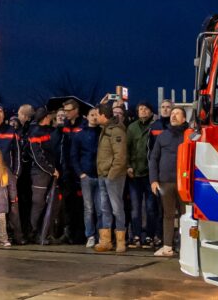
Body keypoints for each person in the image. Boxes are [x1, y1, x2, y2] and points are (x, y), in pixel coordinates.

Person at [151, 107, 192, 257]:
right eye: (172, 114)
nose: (173, 116)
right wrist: (154, 180)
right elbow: (154, 159)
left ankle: (186, 248)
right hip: (165, 182)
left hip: (185, 183)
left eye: (177, 114)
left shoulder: (190, 135)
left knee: (185, 215)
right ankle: (167, 246)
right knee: (167, 215)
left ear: (184, 119)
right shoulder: (163, 136)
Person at [93, 102, 130, 253]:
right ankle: (106, 241)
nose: (95, 117)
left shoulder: (115, 131)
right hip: (103, 174)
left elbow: (120, 156)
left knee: (116, 208)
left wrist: (111, 175)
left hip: (112, 176)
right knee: (105, 208)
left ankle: (121, 241)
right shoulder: (106, 129)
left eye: (97, 114)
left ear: (103, 115)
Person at [25, 107, 64, 244]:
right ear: (44, 118)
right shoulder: (35, 133)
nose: (50, 118)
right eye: (48, 116)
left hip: (49, 173)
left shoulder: (48, 131)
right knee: (38, 204)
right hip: (40, 174)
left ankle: (44, 233)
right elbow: (38, 157)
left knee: (48, 204)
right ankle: (33, 232)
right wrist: (51, 169)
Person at [62, 101, 100, 246]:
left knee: (95, 207)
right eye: (64, 110)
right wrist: (78, 172)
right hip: (75, 173)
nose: (66, 113)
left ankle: (90, 235)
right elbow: (69, 152)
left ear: (76, 111)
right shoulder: (66, 127)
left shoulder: (85, 128)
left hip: (92, 173)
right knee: (81, 206)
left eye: (68, 110)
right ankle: (77, 234)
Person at [126, 102, 159, 248]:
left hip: (150, 174)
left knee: (151, 208)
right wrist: (128, 166)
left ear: (151, 112)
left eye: (146, 108)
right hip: (134, 174)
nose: (143, 111)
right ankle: (136, 235)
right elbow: (126, 148)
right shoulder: (132, 127)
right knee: (135, 208)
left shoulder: (155, 126)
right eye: (140, 109)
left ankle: (149, 236)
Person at [12, 104, 36, 243]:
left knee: (25, 204)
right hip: (22, 172)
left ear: (25, 116)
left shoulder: (29, 131)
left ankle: (27, 232)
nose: (18, 116)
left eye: (20, 114)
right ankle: (21, 231)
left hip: (26, 173)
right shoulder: (20, 130)